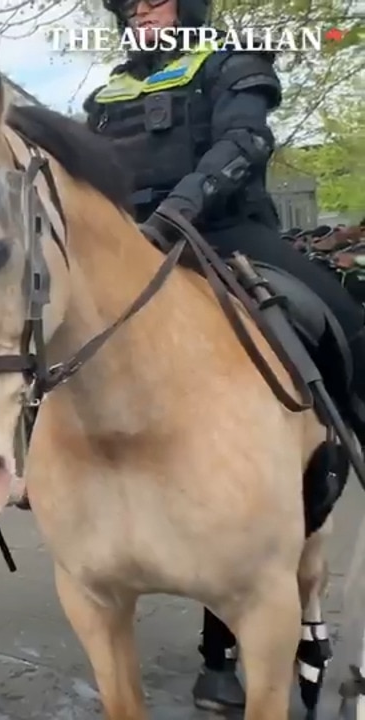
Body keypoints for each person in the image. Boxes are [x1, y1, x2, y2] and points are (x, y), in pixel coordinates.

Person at [86, 0, 365, 710]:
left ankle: (349, 433)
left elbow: (244, 144)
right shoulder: (109, 89)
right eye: (132, 4)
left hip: (224, 227)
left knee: (339, 314)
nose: (142, 12)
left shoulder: (232, 58)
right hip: (128, 246)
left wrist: (179, 207)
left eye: (156, 0)